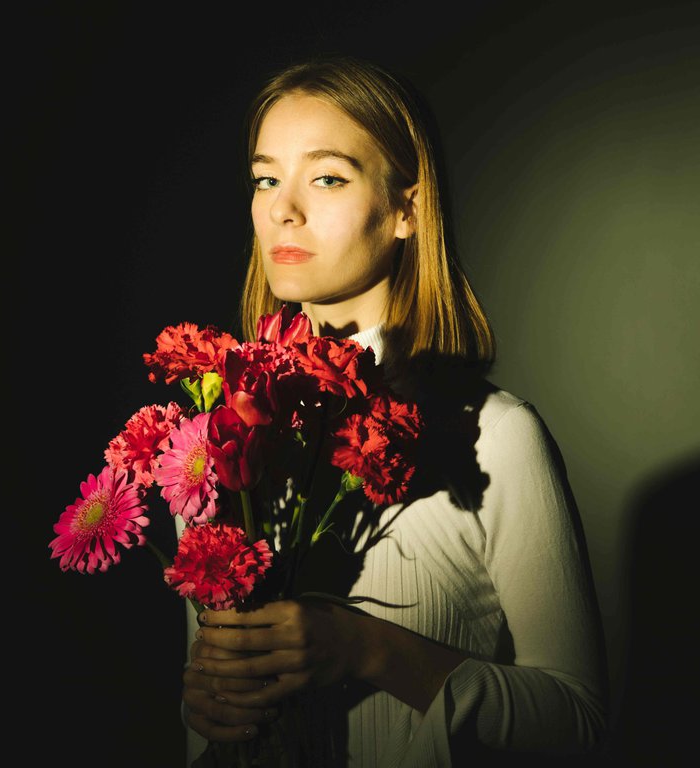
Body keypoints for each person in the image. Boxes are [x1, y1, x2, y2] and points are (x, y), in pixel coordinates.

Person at [179, 55, 609, 767]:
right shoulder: (214, 446)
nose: (283, 209)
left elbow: (578, 718)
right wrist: (207, 710)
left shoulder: (495, 436)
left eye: (327, 177)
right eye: (265, 179)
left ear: (407, 209)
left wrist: (367, 648)